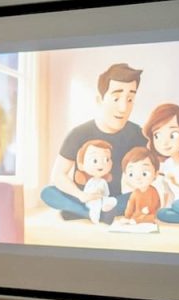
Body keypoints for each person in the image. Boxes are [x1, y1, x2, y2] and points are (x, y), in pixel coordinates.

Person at [41, 63, 146, 223]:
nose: (123, 107)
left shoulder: (137, 134)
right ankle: (90, 211)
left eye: (130, 99)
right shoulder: (78, 134)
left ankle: (83, 212)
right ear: (100, 99)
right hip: (82, 198)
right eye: (116, 98)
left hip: (114, 200)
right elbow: (58, 175)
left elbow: (155, 167)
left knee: (144, 194)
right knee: (48, 192)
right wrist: (81, 196)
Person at [73, 140, 117, 225]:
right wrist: (93, 195)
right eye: (95, 160)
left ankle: (104, 209)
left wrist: (103, 196)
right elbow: (86, 193)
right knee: (95, 205)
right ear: (82, 164)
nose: (100, 164)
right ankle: (94, 217)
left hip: (101, 198)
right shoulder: (90, 181)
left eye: (106, 159)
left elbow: (106, 193)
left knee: (112, 200)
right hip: (92, 200)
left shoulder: (103, 181)